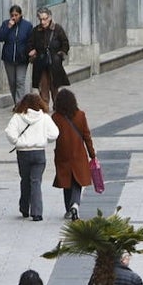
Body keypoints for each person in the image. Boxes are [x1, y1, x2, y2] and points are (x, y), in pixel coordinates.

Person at [5, 93, 60, 222]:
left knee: (25, 180)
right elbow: (54, 133)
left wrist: (18, 142)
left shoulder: (18, 117)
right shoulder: (44, 118)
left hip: (23, 152)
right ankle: (37, 212)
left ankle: (24, 208)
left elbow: (9, 132)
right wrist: (43, 139)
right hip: (39, 152)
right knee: (36, 181)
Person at [51, 88, 97, 221]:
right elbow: (87, 136)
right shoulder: (80, 115)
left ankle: (68, 209)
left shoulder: (55, 117)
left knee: (67, 182)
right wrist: (92, 154)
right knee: (77, 182)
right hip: (79, 154)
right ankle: (75, 205)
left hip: (62, 154)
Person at [27, 6, 70, 108]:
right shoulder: (36, 31)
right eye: (41, 19)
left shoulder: (57, 29)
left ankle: (57, 105)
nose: (42, 22)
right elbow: (30, 43)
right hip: (41, 63)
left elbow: (65, 43)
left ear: (50, 18)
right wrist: (31, 51)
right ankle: (45, 107)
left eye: (44, 19)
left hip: (54, 63)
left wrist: (60, 55)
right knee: (43, 85)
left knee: (55, 85)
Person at [0, 4, 33, 105]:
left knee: (20, 81)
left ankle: (19, 105)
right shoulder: (5, 24)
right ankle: (16, 102)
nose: (14, 17)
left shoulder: (27, 25)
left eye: (16, 15)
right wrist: (8, 27)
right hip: (9, 58)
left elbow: (31, 40)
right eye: (12, 15)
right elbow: (0, 37)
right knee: (12, 82)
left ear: (20, 15)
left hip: (22, 58)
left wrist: (29, 52)